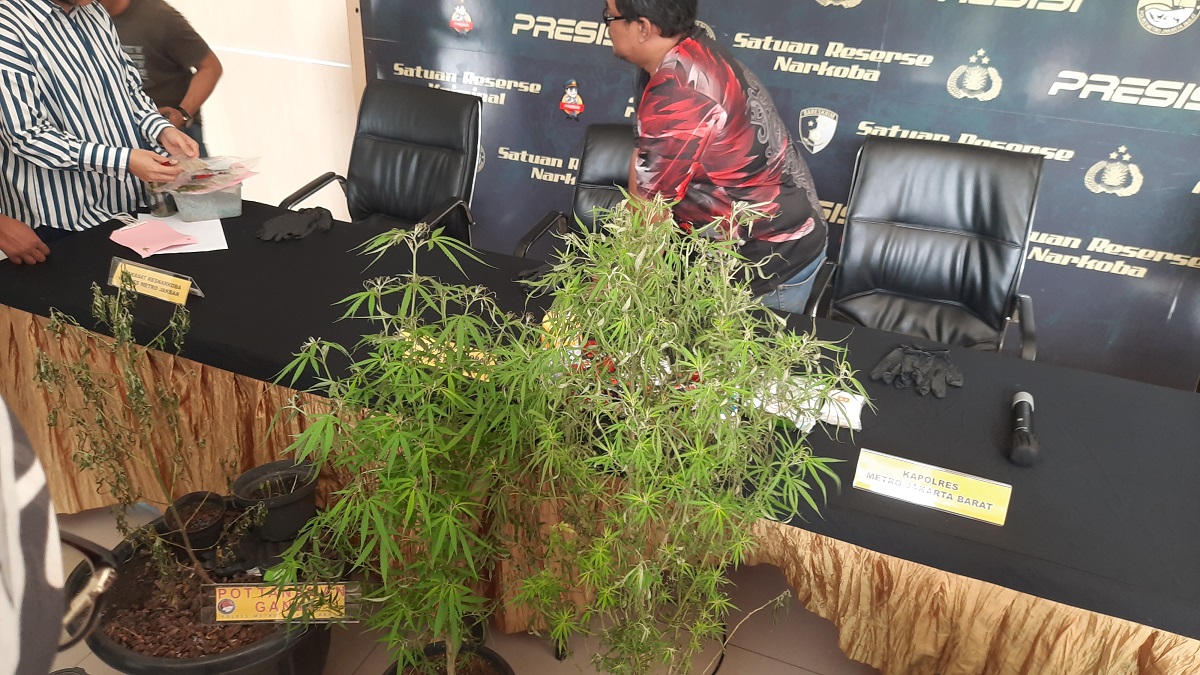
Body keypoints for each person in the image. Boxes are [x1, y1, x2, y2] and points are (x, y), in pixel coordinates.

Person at [606, 0, 828, 314]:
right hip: (734, 247)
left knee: (739, 348)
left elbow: (649, 214)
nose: (608, 27)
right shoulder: (676, 56)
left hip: (767, 262)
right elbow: (645, 164)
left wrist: (607, 295)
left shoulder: (680, 91)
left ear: (643, 28)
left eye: (610, 17)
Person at [0, 0, 198, 265]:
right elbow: (27, 135)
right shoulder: (8, 25)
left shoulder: (95, 12)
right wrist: (125, 160)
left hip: (126, 205)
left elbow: (129, 92)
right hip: (60, 221)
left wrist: (161, 129)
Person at [99, 0, 223, 157]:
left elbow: (210, 67)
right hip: (118, 139)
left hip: (172, 135)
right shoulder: (83, 21)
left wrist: (181, 114)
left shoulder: (159, 17)